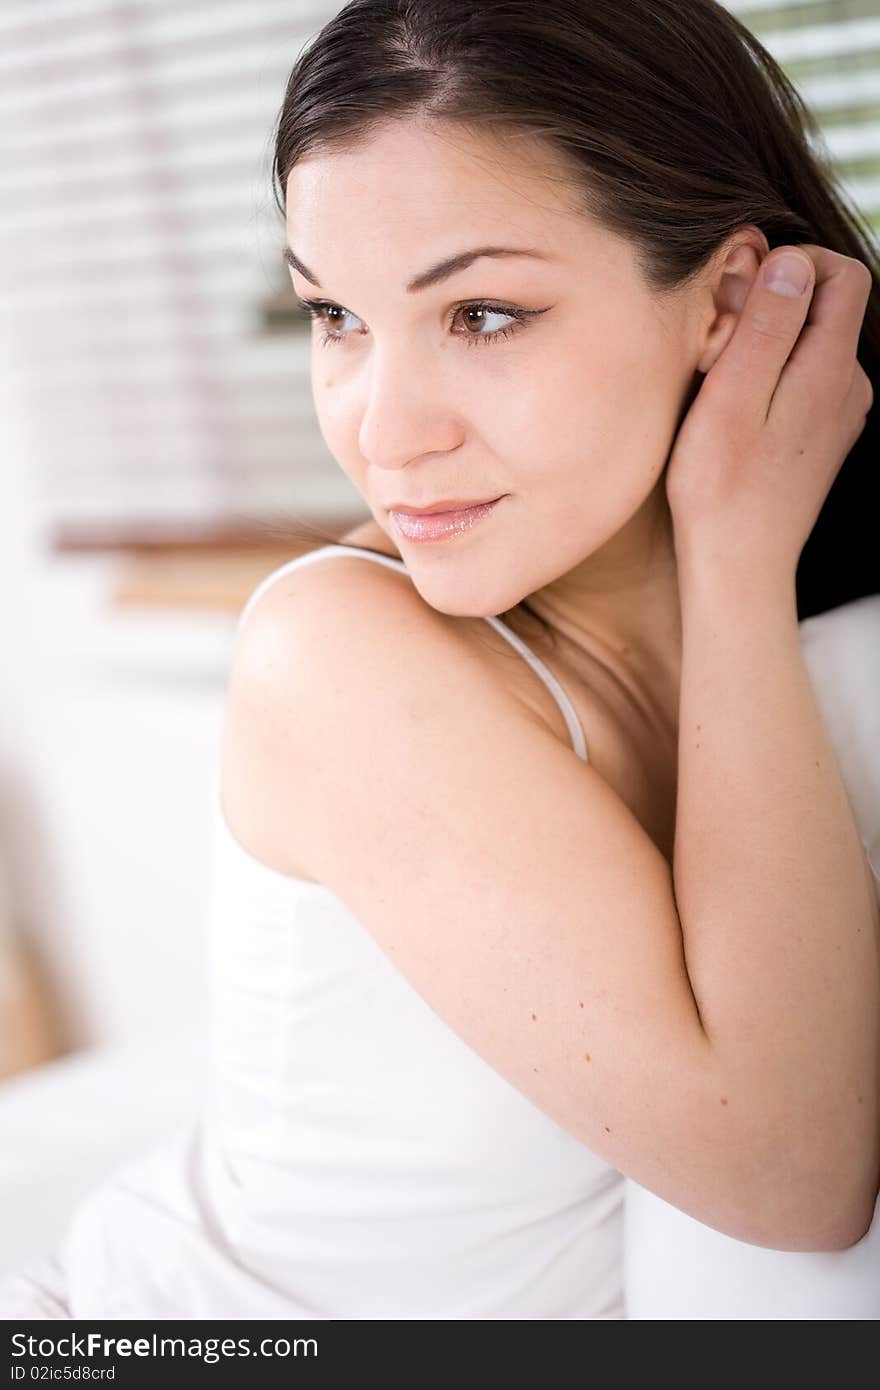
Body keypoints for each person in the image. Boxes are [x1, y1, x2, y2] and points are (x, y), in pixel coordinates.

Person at [1, 0, 878, 1320]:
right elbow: (792, 1174)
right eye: (335, 315)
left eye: (478, 313)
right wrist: (739, 564)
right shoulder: (337, 654)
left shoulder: (808, 647)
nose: (383, 433)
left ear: (728, 301)